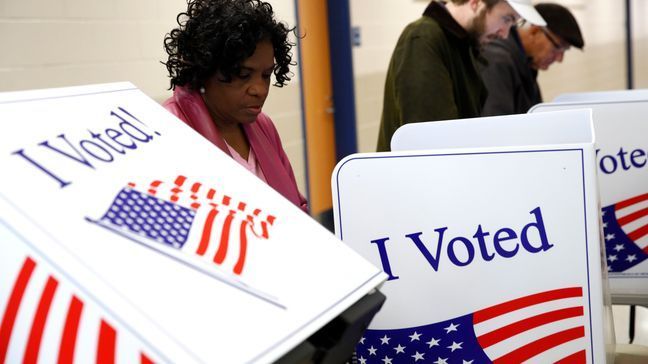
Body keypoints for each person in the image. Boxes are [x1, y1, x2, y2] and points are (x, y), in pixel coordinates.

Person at [162, 0, 308, 213]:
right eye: (243, 75)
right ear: (205, 68)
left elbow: (295, 204)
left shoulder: (263, 125)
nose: (259, 89)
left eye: (266, 75)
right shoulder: (169, 129)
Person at [376, 0, 546, 152]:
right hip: (412, 181)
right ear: (475, 3)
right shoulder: (423, 38)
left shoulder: (465, 45)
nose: (505, 34)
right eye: (506, 19)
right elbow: (430, 142)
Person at [480, 3, 584, 116]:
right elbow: (495, 125)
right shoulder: (498, 62)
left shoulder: (526, 63)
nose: (560, 59)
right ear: (534, 31)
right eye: (558, 47)